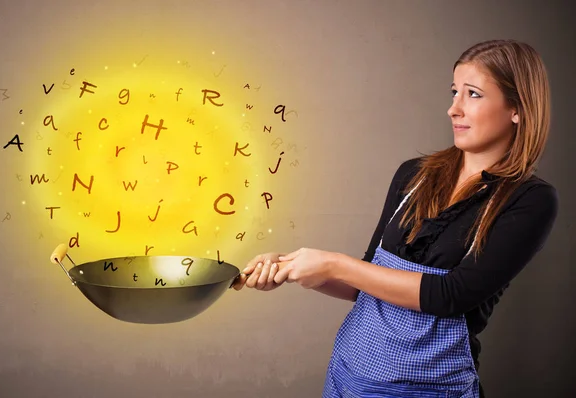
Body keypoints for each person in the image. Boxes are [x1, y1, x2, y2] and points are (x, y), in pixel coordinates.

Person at [232, 39, 558, 398]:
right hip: (347, 373)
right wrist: (292, 268)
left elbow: (452, 295)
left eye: (473, 94)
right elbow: (365, 281)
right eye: (454, 93)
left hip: (426, 390)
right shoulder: (414, 174)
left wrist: (334, 263)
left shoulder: (529, 200)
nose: (454, 109)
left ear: (517, 108)